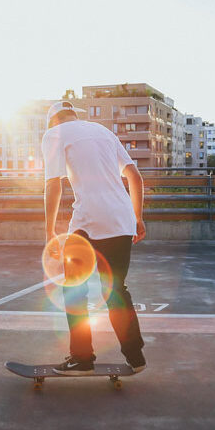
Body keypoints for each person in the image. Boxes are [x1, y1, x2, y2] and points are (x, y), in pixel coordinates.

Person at [41, 100, 147, 375]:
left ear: (53, 121)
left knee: (75, 288)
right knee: (116, 290)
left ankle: (82, 358)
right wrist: (137, 217)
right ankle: (135, 357)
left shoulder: (54, 134)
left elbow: (53, 184)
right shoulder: (103, 132)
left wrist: (50, 231)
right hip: (122, 219)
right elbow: (134, 176)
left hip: (89, 220)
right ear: (75, 116)